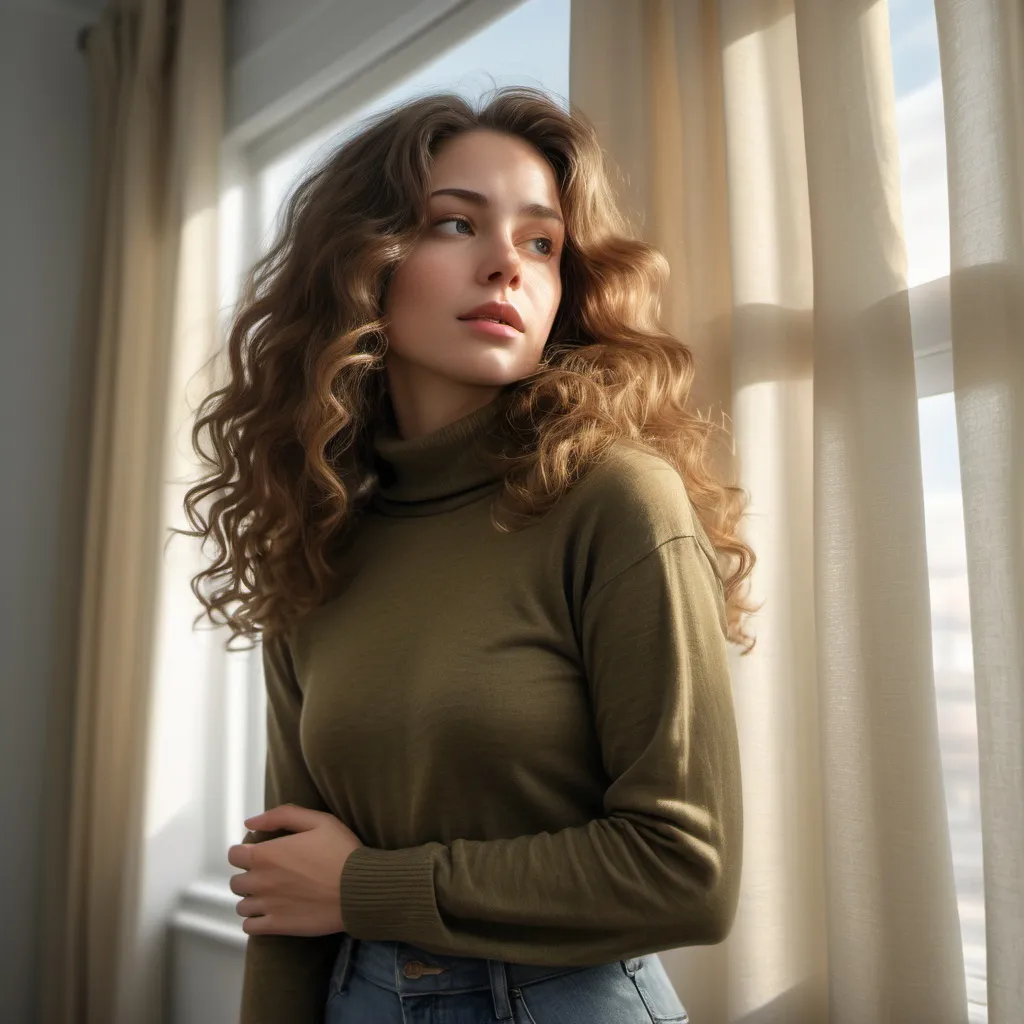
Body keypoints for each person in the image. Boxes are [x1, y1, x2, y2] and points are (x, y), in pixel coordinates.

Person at [180, 84, 757, 1024]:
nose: (507, 266)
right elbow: (288, 886)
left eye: (542, 243)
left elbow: (687, 873)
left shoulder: (615, 499)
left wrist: (366, 887)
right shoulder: (317, 529)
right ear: (364, 263)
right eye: (456, 225)